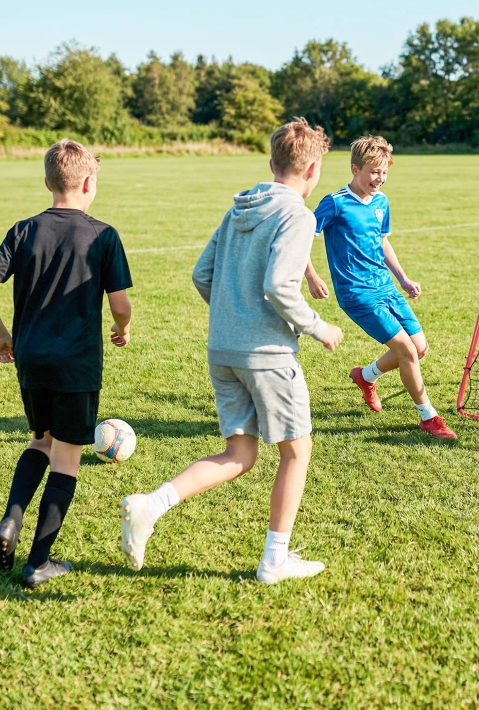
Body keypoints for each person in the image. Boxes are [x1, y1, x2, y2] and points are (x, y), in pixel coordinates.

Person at [119, 118, 343, 584]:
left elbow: (203, 274)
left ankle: (150, 506)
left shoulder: (238, 207)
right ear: (315, 168)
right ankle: (274, 560)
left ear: (271, 163)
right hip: (267, 355)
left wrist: (231, 318)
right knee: (296, 452)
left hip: (222, 350)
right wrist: (319, 326)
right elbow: (281, 287)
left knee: (240, 454)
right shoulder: (298, 215)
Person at [0, 139, 133, 588]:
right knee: (66, 459)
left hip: (31, 359)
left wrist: (2, 336)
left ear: (48, 182)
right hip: (76, 363)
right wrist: (123, 327)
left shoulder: (23, 229)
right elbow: (120, 305)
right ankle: (38, 562)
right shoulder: (103, 234)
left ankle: (10, 521)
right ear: (88, 182)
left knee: (39, 441)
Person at [304, 136, 457, 440]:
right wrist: (311, 275)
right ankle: (429, 416)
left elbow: (383, 240)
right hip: (357, 293)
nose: (379, 179)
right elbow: (303, 235)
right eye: (373, 172)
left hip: (385, 286)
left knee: (420, 348)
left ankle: (365, 376)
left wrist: (403, 278)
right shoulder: (335, 202)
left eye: (384, 173)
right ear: (354, 168)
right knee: (407, 351)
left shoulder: (381, 202)